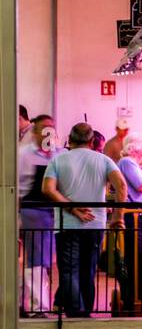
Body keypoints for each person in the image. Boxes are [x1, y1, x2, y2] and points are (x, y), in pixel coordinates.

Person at [42, 122, 128, 317]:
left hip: (66, 226)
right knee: (88, 270)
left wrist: (71, 207)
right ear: (91, 141)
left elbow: (48, 189)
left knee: (69, 270)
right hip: (95, 225)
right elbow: (121, 186)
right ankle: (85, 312)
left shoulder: (58, 160)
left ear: (70, 140)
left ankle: (75, 313)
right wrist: (118, 217)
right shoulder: (104, 160)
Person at [18, 114, 61, 316]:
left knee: (42, 261)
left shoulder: (58, 154)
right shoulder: (24, 155)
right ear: (34, 132)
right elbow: (16, 187)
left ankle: (26, 302)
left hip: (51, 213)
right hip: (32, 211)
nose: (47, 132)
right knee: (35, 261)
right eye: (44, 128)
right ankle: (38, 307)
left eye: (51, 128)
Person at [115, 133, 142, 313]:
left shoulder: (135, 165)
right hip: (137, 217)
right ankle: (132, 299)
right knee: (137, 257)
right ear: (133, 148)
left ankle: (135, 297)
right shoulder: (127, 162)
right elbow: (141, 187)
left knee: (141, 258)